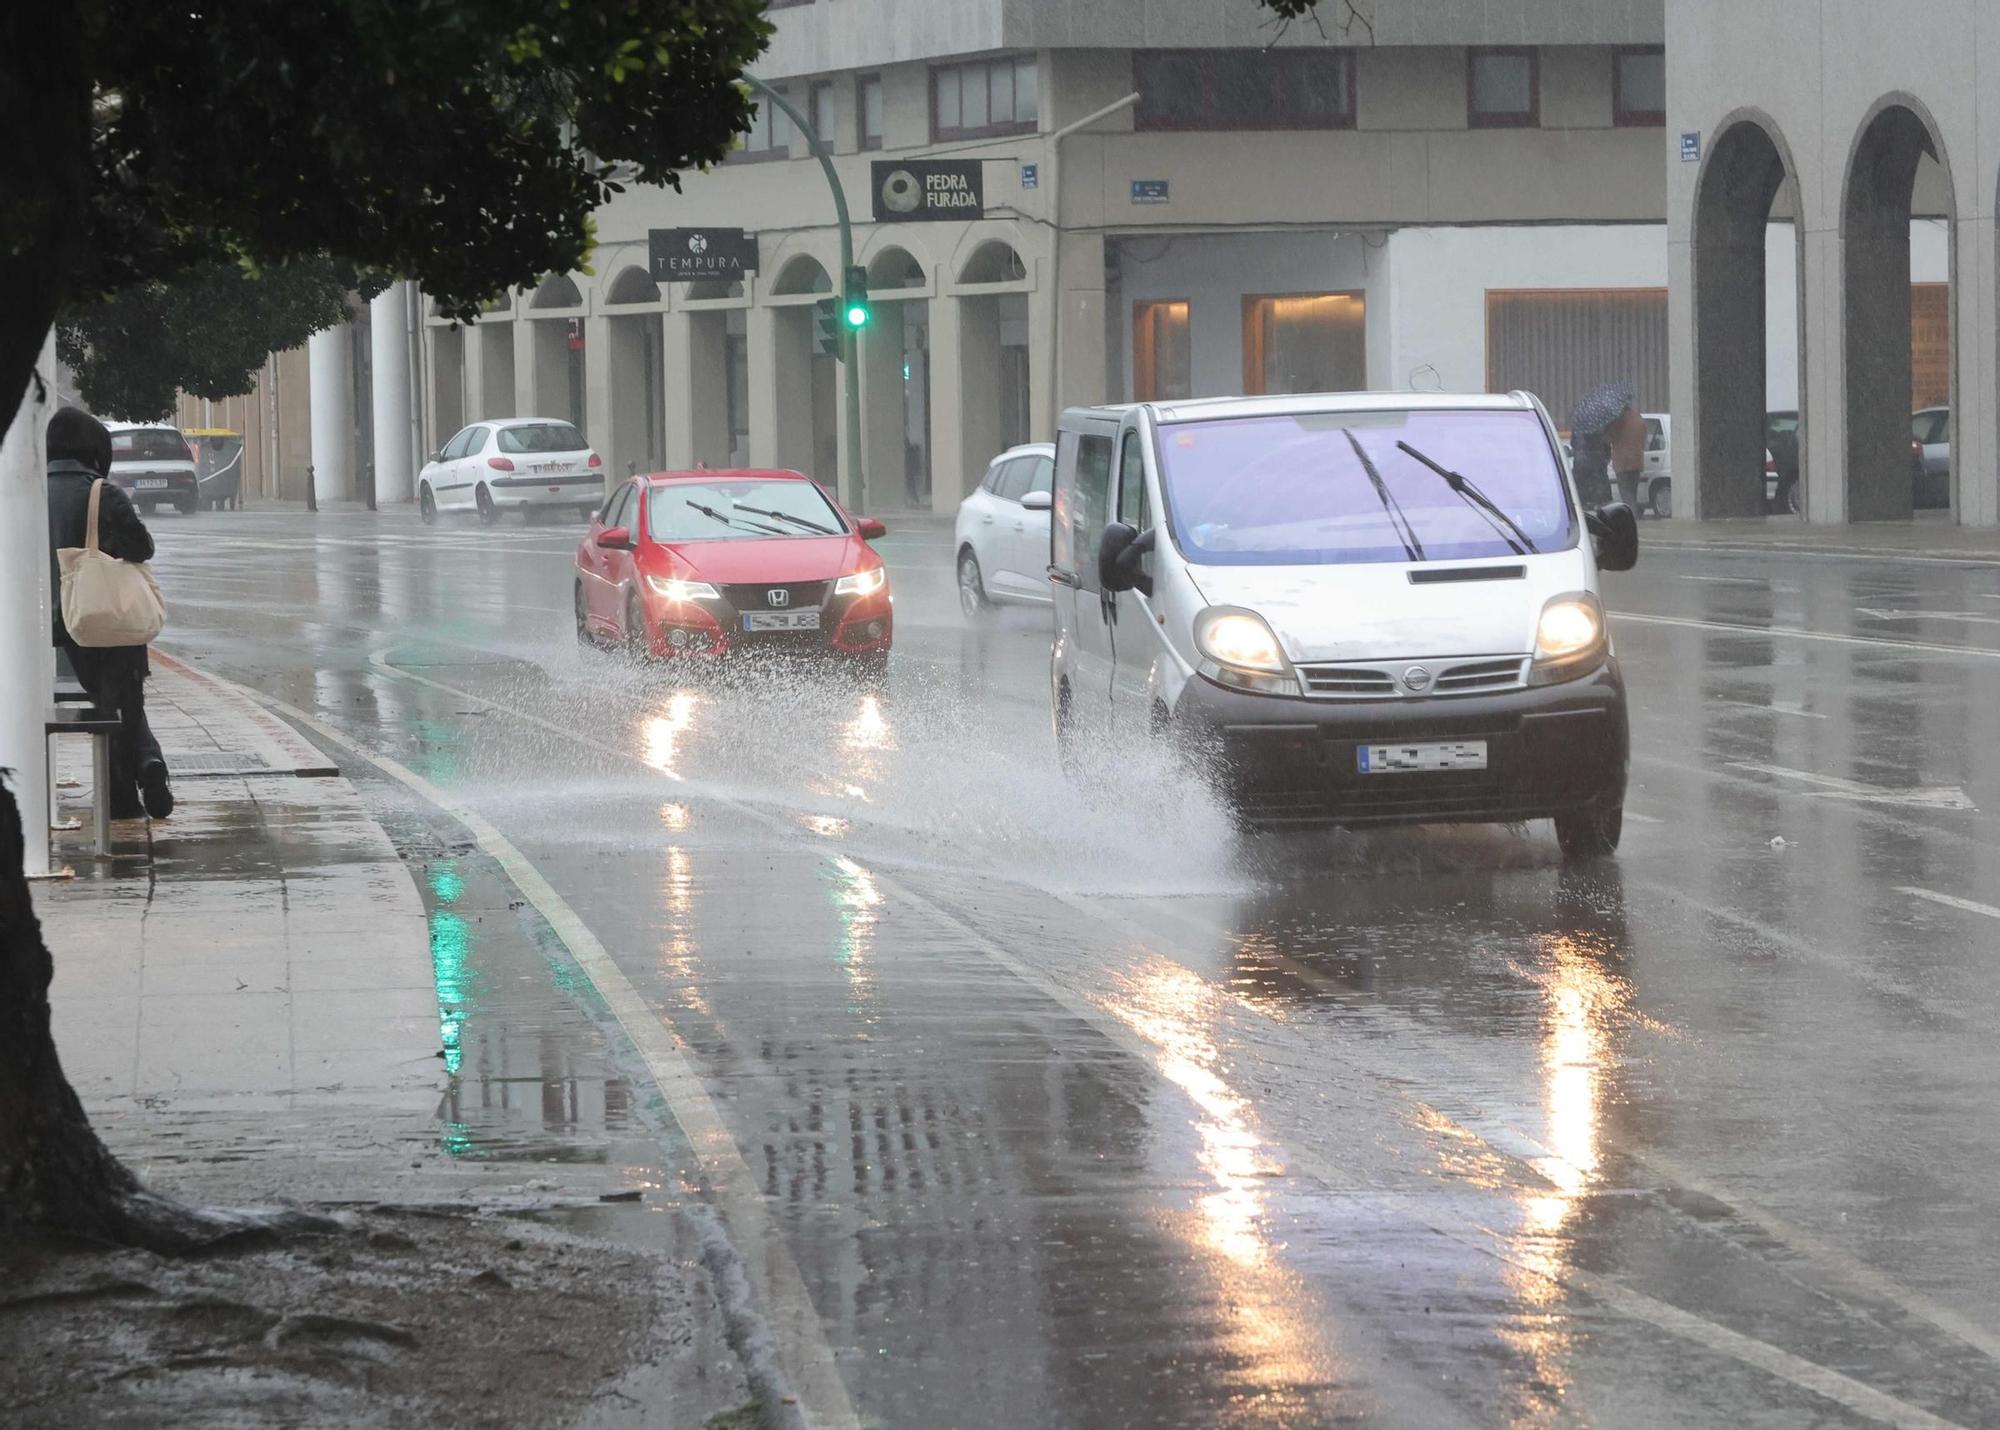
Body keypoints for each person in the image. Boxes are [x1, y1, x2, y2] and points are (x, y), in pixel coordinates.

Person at [45, 408, 173, 821]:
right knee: (123, 705)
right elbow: (142, 547)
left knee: (106, 702)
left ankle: (148, 764)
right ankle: (125, 794)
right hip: (109, 617)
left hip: (59, 624)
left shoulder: (23, 493)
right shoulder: (101, 492)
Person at [1608, 402, 1647, 510]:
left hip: (1622, 463)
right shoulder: (1638, 418)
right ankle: (1634, 516)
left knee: (1626, 495)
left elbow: (1610, 438)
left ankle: (1631, 517)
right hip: (1636, 461)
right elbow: (1643, 437)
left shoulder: (1618, 421)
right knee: (1632, 493)